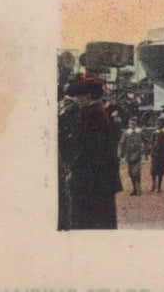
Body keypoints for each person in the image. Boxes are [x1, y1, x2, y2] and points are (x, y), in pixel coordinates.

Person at [61, 75, 122, 229]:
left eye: (78, 96)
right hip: (100, 177)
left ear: (87, 96)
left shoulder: (92, 115)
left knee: (89, 217)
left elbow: (89, 148)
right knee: (102, 215)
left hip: (92, 177)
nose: (76, 99)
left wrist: (74, 168)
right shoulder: (98, 111)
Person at [118, 116, 146, 196]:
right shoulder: (126, 133)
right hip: (129, 154)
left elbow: (146, 140)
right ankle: (134, 187)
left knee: (136, 171)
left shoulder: (140, 132)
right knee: (130, 172)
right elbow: (121, 143)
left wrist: (144, 149)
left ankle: (138, 188)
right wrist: (121, 153)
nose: (132, 125)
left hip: (137, 153)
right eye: (130, 124)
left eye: (134, 124)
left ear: (136, 124)